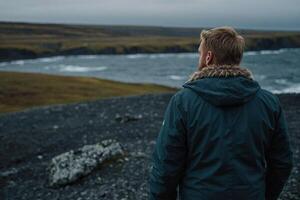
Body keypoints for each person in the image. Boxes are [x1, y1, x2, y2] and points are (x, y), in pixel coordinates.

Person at [149, 26, 293, 200]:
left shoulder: (182, 102)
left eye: (200, 52)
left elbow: (166, 165)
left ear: (208, 57)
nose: (199, 57)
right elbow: (282, 162)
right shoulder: (269, 102)